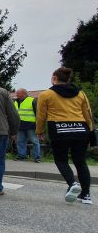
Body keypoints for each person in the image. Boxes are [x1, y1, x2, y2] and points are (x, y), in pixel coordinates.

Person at [36, 67, 94, 204]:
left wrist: (39, 131)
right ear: (68, 79)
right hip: (81, 130)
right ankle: (86, 196)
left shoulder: (46, 94)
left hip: (59, 129)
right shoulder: (81, 94)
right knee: (80, 161)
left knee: (61, 160)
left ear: (54, 78)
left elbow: (41, 116)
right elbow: (88, 114)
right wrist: (90, 131)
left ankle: (72, 183)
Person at [14, 88, 41, 162]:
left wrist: (38, 124)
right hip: (20, 125)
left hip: (31, 125)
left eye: (18, 93)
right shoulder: (15, 102)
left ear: (24, 93)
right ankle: (21, 156)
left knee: (34, 141)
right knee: (20, 141)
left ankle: (37, 157)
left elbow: (37, 113)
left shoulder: (32, 100)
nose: (16, 95)